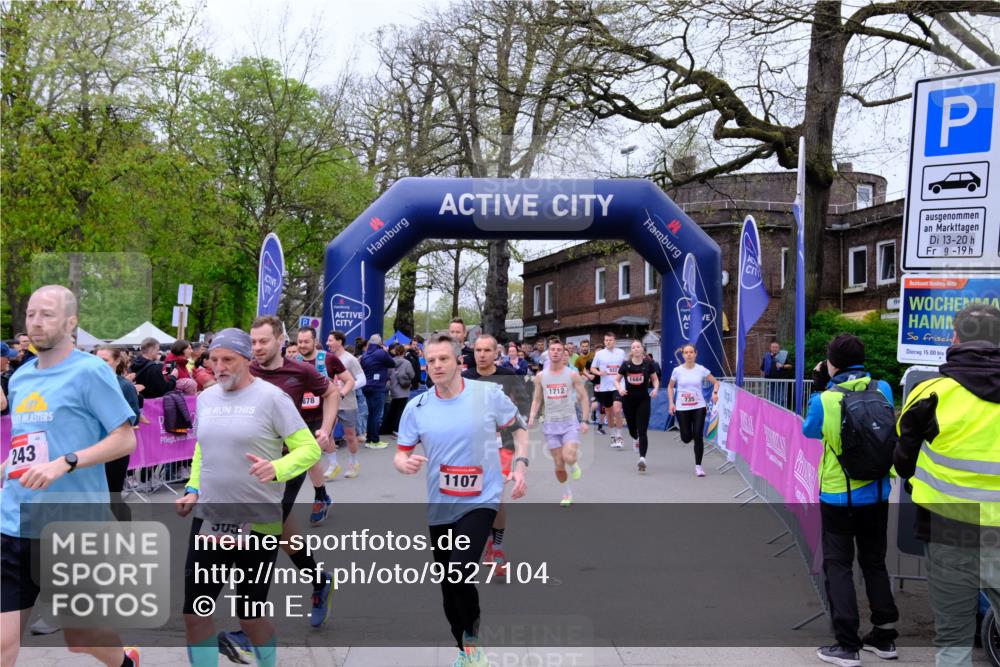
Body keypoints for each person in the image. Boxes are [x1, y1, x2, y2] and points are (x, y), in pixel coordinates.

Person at [1, 285, 139, 667]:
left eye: (47, 314)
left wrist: (67, 461)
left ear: (71, 322)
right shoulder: (20, 378)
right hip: (13, 524)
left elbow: (125, 439)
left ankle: (126, 662)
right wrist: (6, 468)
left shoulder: (90, 372)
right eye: (31, 313)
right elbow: (28, 443)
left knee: (82, 639)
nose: (35, 322)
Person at [175, 328, 322, 667]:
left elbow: (309, 449)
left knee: (250, 616)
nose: (219, 366)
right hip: (211, 519)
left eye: (228, 359)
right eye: (214, 359)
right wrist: (193, 488)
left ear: (246, 359)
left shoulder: (272, 398)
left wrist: (277, 467)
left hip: (258, 521)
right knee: (195, 613)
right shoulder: (206, 398)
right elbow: (202, 449)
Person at [394, 334, 528, 667]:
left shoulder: (487, 395)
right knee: (448, 587)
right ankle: (465, 646)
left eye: (443, 359)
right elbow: (401, 452)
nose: (437, 365)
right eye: (431, 360)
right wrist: (403, 463)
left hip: (482, 498)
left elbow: (519, 427)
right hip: (441, 504)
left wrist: (521, 465)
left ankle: (472, 644)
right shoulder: (417, 407)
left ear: (458, 361)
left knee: (459, 571)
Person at [894, 304, 1000, 667]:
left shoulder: (930, 393)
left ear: (955, 338)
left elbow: (902, 462)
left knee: (953, 638)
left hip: (947, 529)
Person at [802, 333, 899, 667]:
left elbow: (810, 431)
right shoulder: (883, 389)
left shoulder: (825, 400)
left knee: (839, 565)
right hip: (877, 492)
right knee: (874, 562)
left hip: (838, 495)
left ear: (832, 363)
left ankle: (847, 645)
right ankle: (884, 636)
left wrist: (820, 388)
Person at [462, 334, 532, 574]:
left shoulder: (508, 375)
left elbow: (522, 405)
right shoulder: (465, 377)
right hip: (472, 445)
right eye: (478, 350)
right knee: (473, 495)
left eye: (486, 350)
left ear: (495, 353)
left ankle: (496, 546)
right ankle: (480, 538)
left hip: (502, 444)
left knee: (495, 495)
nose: (481, 355)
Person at [294, 326, 354, 524]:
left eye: (306, 342)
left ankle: (320, 498)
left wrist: (340, 395)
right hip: (300, 416)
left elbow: (349, 380)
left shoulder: (328, 359)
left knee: (311, 454)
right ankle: (322, 496)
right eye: (300, 342)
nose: (302, 345)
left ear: (315, 341)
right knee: (309, 457)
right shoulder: (294, 361)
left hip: (324, 415)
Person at [528, 336, 589, 506]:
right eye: (552, 350)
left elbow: (584, 397)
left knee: (568, 456)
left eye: (559, 350)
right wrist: (532, 416)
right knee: (558, 464)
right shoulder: (540, 376)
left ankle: (573, 464)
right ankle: (566, 493)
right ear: (548, 354)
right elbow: (537, 399)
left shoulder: (572, 374)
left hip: (569, 422)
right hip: (550, 424)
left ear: (564, 354)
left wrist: (584, 420)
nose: (555, 353)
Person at [95, 345, 142, 522]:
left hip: (115, 449)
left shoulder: (125, 386)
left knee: (113, 495)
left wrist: (111, 420)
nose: (100, 364)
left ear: (116, 361)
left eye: (105, 360)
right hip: (92, 448)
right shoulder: (88, 384)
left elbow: (134, 417)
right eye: (97, 359)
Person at [667, 344, 720, 477]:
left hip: (698, 407)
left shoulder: (701, 369)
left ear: (695, 354)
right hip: (682, 408)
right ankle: (687, 433)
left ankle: (698, 466)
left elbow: (716, 382)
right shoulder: (677, 370)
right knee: (686, 438)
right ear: (683, 355)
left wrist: (714, 393)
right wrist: (671, 403)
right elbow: (670, 387)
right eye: (686, 352)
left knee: (698, 435)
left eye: (691, 352)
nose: (689, 354)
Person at [616, 340, 659, 473]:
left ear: (642, 349)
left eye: (638, 347)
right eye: (633, 347)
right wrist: (620, 389)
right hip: (628, 400)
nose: (636, 349)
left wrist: (656, 389)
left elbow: (655, 379)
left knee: (642, 430)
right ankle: (635, 439)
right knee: (632, 430)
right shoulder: (626, 365)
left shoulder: (648, 364)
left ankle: (642, 459)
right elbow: (616, 380)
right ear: (631, 350)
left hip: (643, 400)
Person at [324, 331, 362, 479]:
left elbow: (362, 379)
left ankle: (353, 462)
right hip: (329, 403)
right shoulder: (326, 358)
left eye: (330, 340)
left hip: (347, 403)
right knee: (327, 434)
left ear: (339, 342)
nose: (327, 343)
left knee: (350, 436)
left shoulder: (350, 359)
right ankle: (333, 464)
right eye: (327, 341)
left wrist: (346, 388)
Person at [591, 332, 626, 448]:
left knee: (617, 410)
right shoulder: (599, 354)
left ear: (614, 341)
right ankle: (613, 435)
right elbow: (592, 368)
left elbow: (626, 366)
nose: (608, 342)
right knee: (609, 413)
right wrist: (599, 372)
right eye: (606, 340)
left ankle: (619, 436)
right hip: (605, 387)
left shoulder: (621, 352)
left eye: (610, 340)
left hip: (618, 385)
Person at [360, 334, 395, 449]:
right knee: (376, 415)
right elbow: (392, 363)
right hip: (377, 386)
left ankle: (369, 439)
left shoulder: (365, 355)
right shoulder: (381, 353)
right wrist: (386, 351)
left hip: (367, 386)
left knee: (371, 414)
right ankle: (375, 441)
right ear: (380, 343)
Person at [383, 343, 415, 437]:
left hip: (393, 388)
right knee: (401, 410)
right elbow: (412, 375)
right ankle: (397, 429)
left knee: (393, 409)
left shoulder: (391, 362)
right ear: (403, 352)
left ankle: (388, 428)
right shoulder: (407, 363)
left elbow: (387, 375)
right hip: (403, 389)